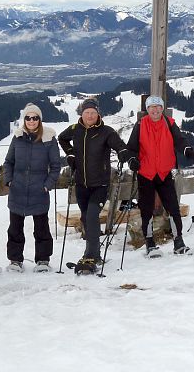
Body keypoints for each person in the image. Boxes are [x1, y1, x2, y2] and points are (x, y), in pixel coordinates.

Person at [58, 97, 137, 274]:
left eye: (93, 112)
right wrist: (70, 155)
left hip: (100, 184)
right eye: (87, 112)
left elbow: (120, 146)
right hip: (81, 184)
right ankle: (95, 254)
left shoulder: (106, 131)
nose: (90, 115)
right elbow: (61, 138)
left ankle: (90, 255)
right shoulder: (75, 129)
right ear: (82, 113)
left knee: (92, 216)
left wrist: (126, 154)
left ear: (98, 114)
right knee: (86, 218)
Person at [127, 95, 194, 257]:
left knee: (173, 207)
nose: (155, 110)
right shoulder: (140, 124)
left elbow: (180, 141)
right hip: (146, 173)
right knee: (146, 210)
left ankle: (179, 242)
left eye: (158, 107)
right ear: (147, 109)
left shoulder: (169, 123)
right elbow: (131, 147)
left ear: (162, 108)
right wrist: (132, 160)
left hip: (164, 172)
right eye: (152, 107)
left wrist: (187, 149)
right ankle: (150, 244)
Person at [3, 103, 61, 273]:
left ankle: (43, 260)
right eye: (28, 117)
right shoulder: (18, 137)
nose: (31, 121)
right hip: (18, 189)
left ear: (39, 120)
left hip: (39, 190)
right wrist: (9, 180)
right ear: (24, 119)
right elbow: (8, 162)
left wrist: (47, 185)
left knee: (41, 228)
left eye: (35, 118)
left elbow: (56, 166)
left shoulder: (49, 139)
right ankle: (15, 260)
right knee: (15, 228)